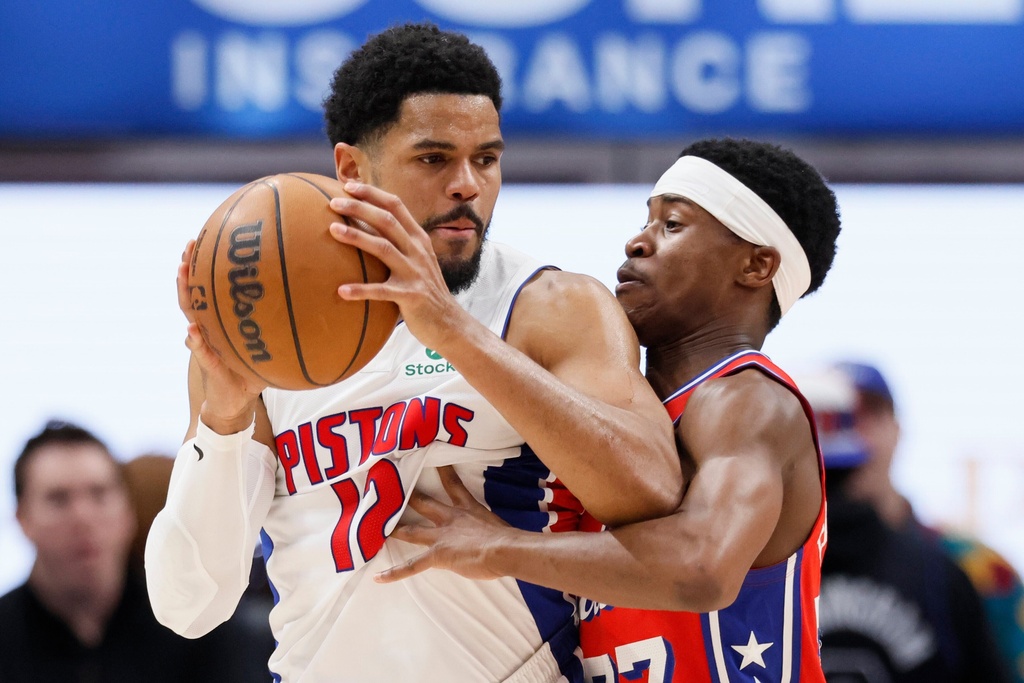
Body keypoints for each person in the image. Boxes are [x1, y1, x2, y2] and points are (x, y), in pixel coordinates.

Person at [145, 21, 682, 683]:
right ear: (350, 168)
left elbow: (655, 489)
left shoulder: (550, 306)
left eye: (486, 158)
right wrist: (223, 423)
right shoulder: (262, 327)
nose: (468, 185)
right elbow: (188, 604)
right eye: (434, 158)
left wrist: (455, 331)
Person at [376, 137, 843, 682]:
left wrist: (498, 548)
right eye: (646, 220)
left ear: (757, 265)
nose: (637, 242)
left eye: (672, 225)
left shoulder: (747, 399)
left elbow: (701, 569)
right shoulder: (622, 427)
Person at [0, 420, 263, 683]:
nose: (83, 517)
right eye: (58, 499)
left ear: (129, 511)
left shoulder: (196, 626)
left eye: (99, 494)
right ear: (22, 518)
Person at [800, 368, 1012, 682]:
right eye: (832, 419)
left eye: (869, 413)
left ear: (896, 429)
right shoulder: (768, 568)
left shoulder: (972, 567)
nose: (857, 429)